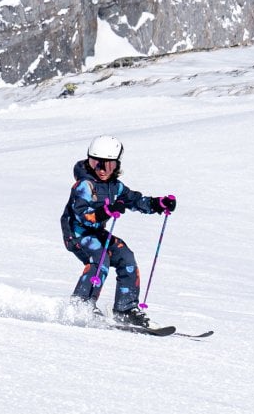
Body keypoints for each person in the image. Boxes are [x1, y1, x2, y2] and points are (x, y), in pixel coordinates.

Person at [60, 134, 176, 328]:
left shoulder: (115, 186)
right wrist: (105, 211)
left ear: (116, 165)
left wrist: (157, 204)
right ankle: (81, 305)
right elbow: (81, 214)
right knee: (101, 259)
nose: (103, 169)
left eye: (109, 164)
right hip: (77, 234)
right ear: (89, 161)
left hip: (96, 234)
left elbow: (134, 200)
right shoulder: (84, 185)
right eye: (96, 163)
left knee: (126, 257)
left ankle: (125, 309)